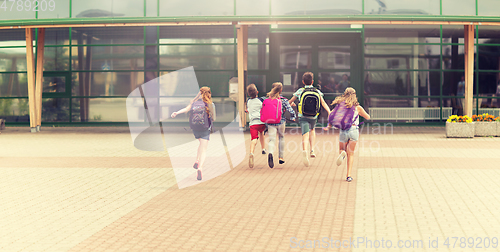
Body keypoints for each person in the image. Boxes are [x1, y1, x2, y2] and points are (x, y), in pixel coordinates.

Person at [323, 87, 370, 182]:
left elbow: (331, 115)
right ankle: (348, 175)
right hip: (354, 131)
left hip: (343, 131)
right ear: (354, 95)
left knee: (341, 149)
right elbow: (368, 117)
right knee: (351, 154)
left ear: (345, 94)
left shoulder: (341, 106)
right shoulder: (358, 107)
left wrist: (329, 126)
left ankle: (342, 154)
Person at [171, 86, 215, 181]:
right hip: (205, 128)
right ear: (209, 94)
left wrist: (176, 113)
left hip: (195, 128)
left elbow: (186, 109)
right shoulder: (210, 104)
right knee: (203, 149)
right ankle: (200, 167)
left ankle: (197, 160)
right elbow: (214, 118)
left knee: (200, 144)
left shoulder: (194, 103)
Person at [288, 72, 331, 167]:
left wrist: (288, 105)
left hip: (302, 116)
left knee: (305, 133)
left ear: (303, 81)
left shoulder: (300, 91)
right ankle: (312, 150)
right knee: (312, 130)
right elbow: (323, 102)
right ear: (312, 81)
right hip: (313, 116)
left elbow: (290, 101)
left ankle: (304, 151)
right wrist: (329, 111)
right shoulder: (317, 91)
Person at [265, 82, 296, 168]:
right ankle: (281, 157)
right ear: (281, 90)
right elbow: (291, 110)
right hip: (281, 121)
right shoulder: (284, 100)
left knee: (272, 140)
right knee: (281, 137)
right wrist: (293, 116)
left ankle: (270, 153)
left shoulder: (267, 99)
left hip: (270, 122)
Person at [246, 84, 268, 168]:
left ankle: (251, 153)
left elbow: (249, 109)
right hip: (261, 122)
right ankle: (263, 148)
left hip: (253, 124)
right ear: (257, 92)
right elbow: (263, 108)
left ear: (248, 94)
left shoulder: (248, 101)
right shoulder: (260, 101)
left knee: (254, 139)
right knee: (262, 133)